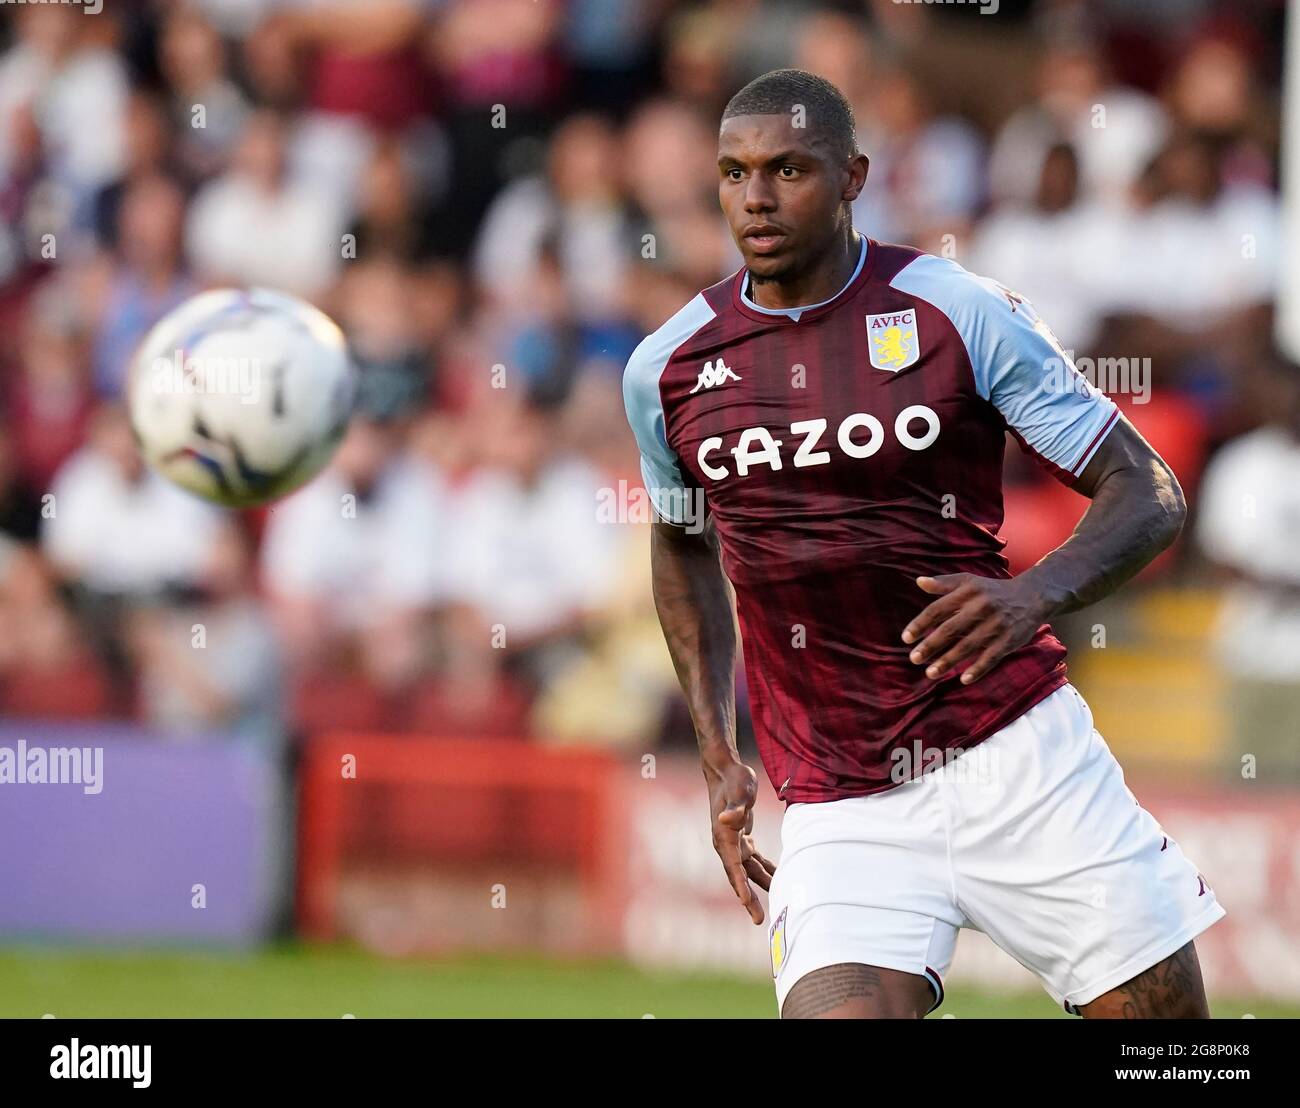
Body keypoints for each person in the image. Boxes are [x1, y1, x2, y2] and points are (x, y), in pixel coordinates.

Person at [623, 69, 1223, 1020]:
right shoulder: (670, 367)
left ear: (855, 174)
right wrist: (715, 749)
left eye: (789, 169)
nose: (758, 198)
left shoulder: (955, 310)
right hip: (838, 796)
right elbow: (683, 545)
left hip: (1017, 755)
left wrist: (1032, 594)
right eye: (735, 174)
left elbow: (1145, 488)